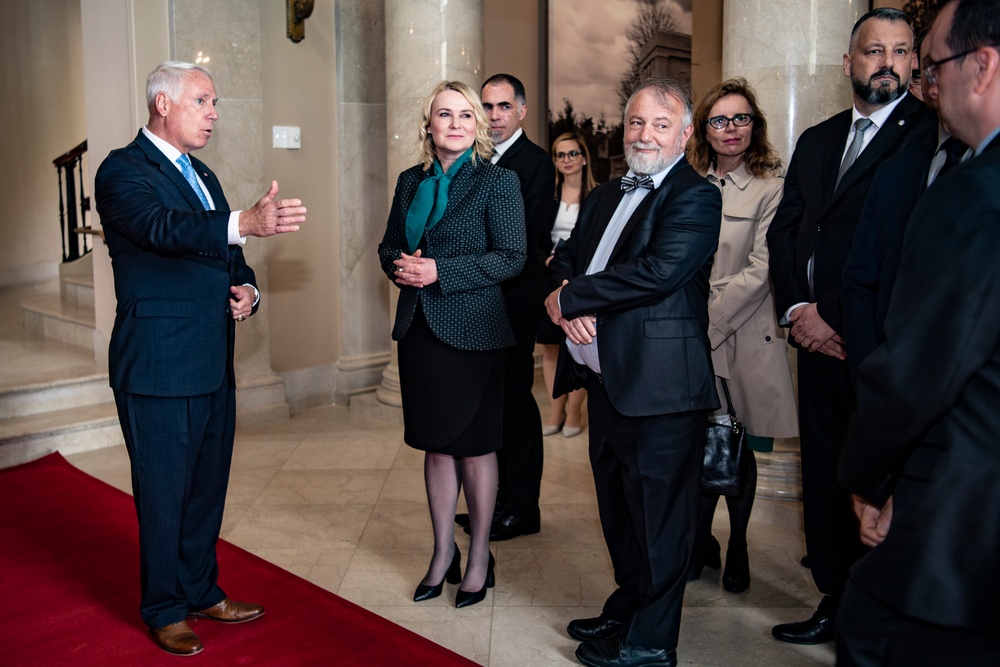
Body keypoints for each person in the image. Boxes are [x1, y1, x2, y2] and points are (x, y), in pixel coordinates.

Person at [94, 61, 306, 656]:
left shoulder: (204, 175)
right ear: (164, 104)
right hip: (158, 363)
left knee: (206, 486)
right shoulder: (121, 169)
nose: (214, 113)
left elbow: (223, 252)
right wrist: (245, 221)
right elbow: (163, 229)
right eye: (203, 101)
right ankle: (163, 607)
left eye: (215, 103)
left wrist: (248, 289)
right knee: (164, 491)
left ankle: (200, 589)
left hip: (212, 357)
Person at [765, 8, 937, 644]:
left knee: (875, 476)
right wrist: (797, 312)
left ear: (916, 61)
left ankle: (876, 610)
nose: (886, 61)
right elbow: (785, 231)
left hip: (874, 343)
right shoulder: (817, 137)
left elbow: (899, 244)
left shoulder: (929, 136)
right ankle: (835, 598)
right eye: (873, 51)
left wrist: (832, 315)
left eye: (900, 50)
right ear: (849, 62)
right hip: (812, 342)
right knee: (826, 471)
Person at [838, 2, 1000, 663]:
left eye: (933, 65)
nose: (927, 85)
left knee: (873, 634)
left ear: (982, 67)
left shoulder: (973, 192)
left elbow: (918, 371)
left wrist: (868, 477)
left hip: (962, 525)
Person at [546, 77, 722, 667]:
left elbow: (660, 271)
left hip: (662, 386)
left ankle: (650, 644)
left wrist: (574, 300)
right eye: (637, 123)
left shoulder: (695, 196)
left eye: (660, 124)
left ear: (686, 133)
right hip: (605, 381)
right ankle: (627, 606)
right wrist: (560, 292)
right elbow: (565, 258)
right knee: (619, 510)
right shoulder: (602, 196)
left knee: (660, 522)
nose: (645, 135)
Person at [377, 81, 526, 609]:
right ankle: (443, 553)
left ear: (478, 126)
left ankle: (480, 555)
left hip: (476, 331)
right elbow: (389, 244)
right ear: (430, 125)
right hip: (419, 330)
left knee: (475, 446)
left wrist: (440, 271)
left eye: (467, 115)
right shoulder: (408, 182)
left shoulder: (498, 182)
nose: (457, 123)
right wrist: (402, 266)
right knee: (436, 444)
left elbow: (512, 257)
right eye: (446, 114)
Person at [684, 78, 798, 594]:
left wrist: (706, 321)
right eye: (720, 119)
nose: (732, 129)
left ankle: (739, 544)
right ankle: (699, 539)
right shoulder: (686, 181)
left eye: (742, 118)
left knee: (738, 442)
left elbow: (761, 269)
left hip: (740, 332)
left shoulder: (773, 186)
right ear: (704, 129)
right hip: (686, 331)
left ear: (756, 125)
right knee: (697, 439)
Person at [460, 73, 555, 542]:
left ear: (521, 110)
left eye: (502, 107)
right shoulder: (475, 159)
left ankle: (523, 507)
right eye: (487, 107)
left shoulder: (534, 162)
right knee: (486, 408)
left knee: (515, 405)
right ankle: (489, 504)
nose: (494, 116)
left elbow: (521, 236)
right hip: (477, 299)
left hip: (513, 301)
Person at [842, 33, 969, 376]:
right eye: (922, 73)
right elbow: (860, 279)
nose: (929, 86)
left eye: (935, 70)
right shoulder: (896, 169)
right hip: (887, 370)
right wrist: (875, 368)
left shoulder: (982, 166)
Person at [539, 132, 597, 439]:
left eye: (573, 153)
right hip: (549, 280)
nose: (567, 160)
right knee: (550, 346)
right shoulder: (548, 198)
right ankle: (555, 409)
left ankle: (575, 411)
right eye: (560, 155)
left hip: (582, 281)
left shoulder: (599, 197)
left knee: (578, 345)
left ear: (584, 157)